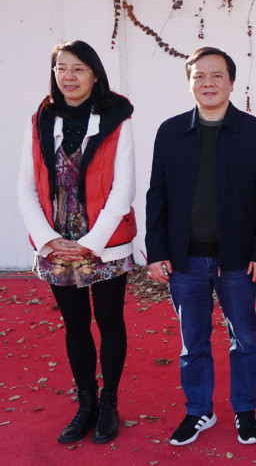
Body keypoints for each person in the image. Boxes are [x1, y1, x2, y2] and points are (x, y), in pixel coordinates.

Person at [145, 47, 256, 446]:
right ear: (189, 84)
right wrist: (157, 250)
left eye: (217, 75)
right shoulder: (171, 132)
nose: (208, 83)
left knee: (244, 339)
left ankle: (245, 409)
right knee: (193, 342)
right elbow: (157, 194)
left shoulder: (255, 132)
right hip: (185, 259)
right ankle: (199, 409)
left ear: (232, 83)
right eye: (199, 76)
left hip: (238, 260)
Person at [17, 40, 136, 445]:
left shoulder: (117, 117)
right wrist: (48, 239)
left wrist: (92, 242)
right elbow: (26, 187)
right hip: (56, 244)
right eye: (61, 68)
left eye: (78, 68)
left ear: (94, 74)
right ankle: (86, 401)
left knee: (110, 321)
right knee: (75, 324)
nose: (68, 76)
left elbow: (123, 188)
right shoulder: (40, 119)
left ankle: (109, 403)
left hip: (105, 240)